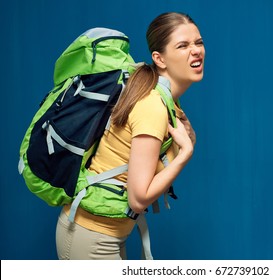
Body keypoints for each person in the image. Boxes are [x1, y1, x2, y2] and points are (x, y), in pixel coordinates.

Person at [55, 12, 205, 260]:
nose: (196, 51)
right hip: (90, 236)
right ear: (160, 58)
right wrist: (186, 154)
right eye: (183, 45)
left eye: (198, 43)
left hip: (105, 235)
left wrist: (190, 140)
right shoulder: (153, 105)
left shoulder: (165, 98)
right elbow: (138, 198)